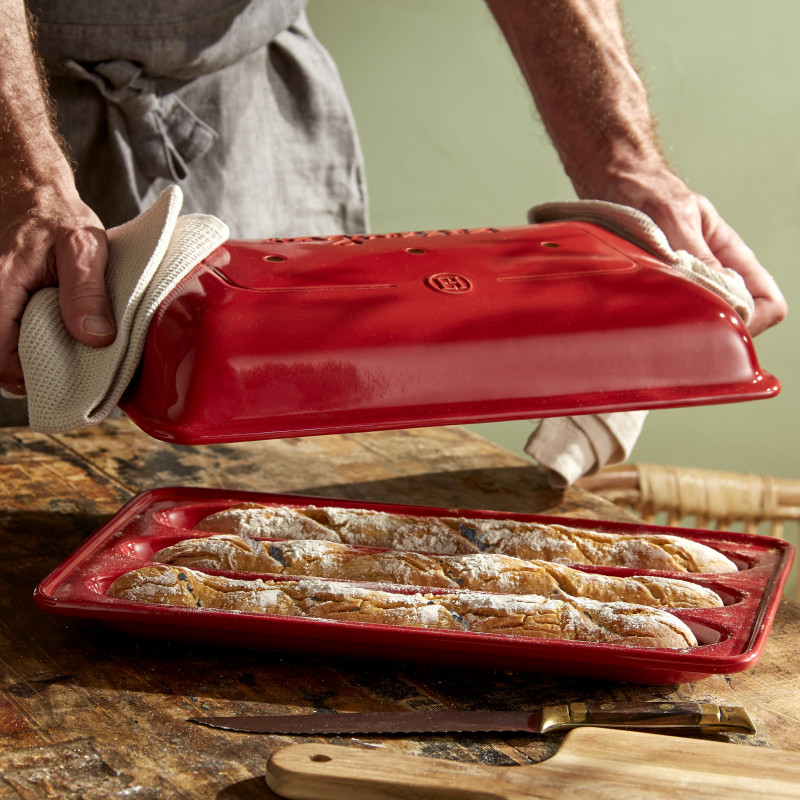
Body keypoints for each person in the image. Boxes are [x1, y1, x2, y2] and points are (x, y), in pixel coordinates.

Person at [0, 0, 787, 411]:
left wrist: (624, 162)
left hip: (237, 107)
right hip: (12, 120)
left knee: (276, 489)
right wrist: (27, 178)